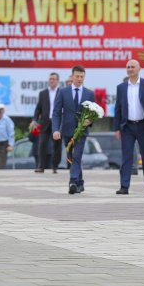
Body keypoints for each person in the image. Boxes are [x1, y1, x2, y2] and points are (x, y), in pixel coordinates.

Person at [113, 60, 144, 195]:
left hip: (143, 126)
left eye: (132, 67)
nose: (130, 69)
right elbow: (117, 109)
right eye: (128, 67)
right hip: (127, 127)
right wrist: (117, 128)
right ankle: (124, 186)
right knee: (126, 157)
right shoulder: (121, 87)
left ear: (139, 68)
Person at [52, 66, 95, 194]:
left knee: (77, 155)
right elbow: (56, 112)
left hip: (82, 131)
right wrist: (55, 129)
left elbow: (93, 113)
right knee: (71, 156)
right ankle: (80, 182)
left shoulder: (89, 93)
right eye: (77, 76)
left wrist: (90, 121)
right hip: (67, 130)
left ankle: (72, 181)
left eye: (82, 77)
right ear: (72, 76)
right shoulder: (63, 92)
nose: (80, 79)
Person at [31, 72, 62, 173]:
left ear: (57, 81)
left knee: (57, 145)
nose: (51, 81)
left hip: (56, 122)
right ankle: (41, 166)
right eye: (50, 79)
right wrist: (35, 120)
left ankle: (55, 166)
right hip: (44, 122)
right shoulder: (43, 93)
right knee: (42, 143)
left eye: (53, 79)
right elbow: (38, 108)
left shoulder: (62, 92)